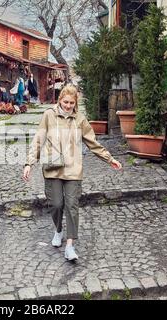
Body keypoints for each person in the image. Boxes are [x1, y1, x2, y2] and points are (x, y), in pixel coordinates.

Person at [22, 85, 122, 261]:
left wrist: (109, 158)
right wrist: (29, 163)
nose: (68, 106)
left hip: (73, 169)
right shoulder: (48, 116)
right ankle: (58, 229)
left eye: (71, 103)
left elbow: (93, 143)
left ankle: (70, 246)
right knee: (56, 204)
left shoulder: (80, 119)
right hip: (52, 168)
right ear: (60, 100)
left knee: (72, 205)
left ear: (76, 103)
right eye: (65, 102)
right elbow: (38, 140)